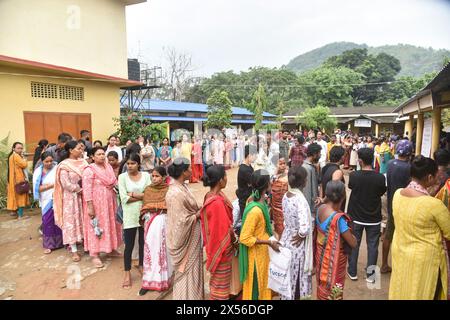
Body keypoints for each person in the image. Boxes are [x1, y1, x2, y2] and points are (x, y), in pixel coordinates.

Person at [389, 156, 450, 300]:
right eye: (436, 175)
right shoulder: (433, 205)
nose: (438, 178)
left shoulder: (398, 194)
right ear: (429, 177)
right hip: (424, 260)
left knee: (402, 287)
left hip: (401, 251)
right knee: (420, 292)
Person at [346, 148, 387, 282]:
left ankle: (352, 271)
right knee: (373, 246)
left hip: (356, 216)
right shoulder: (380, 177)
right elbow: (381, 192)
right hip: (374, 217)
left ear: (361, 161)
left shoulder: (354, 176)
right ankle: (370, 275)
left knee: (354, 243)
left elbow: (351, 187)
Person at [239, 169, 281, 300]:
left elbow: (262, 227)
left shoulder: (257, 201)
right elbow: (244, 238)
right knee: (256, 291)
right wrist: (268, 242)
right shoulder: (255, 210)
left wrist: (273, 233)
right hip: (256, 258)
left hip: (263, 253)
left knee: (264, 287)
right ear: (268, 185)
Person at [166, 158, 204, 300]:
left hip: (191, 236)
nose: (191, 170)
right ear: (183, 172)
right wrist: (197, 215)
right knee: (188, 272)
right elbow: (180, 222)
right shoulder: (176, 192)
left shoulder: (181, 186)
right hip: (185, 240)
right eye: (189, 168)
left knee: (193, 271)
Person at [315, 181, 357, 300]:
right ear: (343, 197)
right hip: (333, 264)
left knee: (321, 285)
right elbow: (353, 243)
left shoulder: (320, 208)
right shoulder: (339, 220)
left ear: (327, 195)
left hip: (320, 257)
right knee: (334, 290)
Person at [201, 165, 237, 300]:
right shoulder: (217, 203)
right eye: (225, 176)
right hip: (221, 250)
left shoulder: (210, 195)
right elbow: (223, 230)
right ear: (220, 180)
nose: (227, 179)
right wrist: (234, 240)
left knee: (218, 283)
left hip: (214, 245)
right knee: (220, 286)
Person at [82, 147, 122, 268]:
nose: (102, 156)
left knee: (110, 224)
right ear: (92, 157)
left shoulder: (108, 167)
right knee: (96, 226)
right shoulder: (89, 170)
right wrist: (90, 206)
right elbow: (87, 190)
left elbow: (114, 182)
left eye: (103, 154)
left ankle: (111, 249)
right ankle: (95, 254)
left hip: (110, 203)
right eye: (98, 154)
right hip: (96, 204)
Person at [118, 153, 151, 289]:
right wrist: (140, 196)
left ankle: (142, 265)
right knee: (129, 245)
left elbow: (150, 194)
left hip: (144, 213)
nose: (130, 166)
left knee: (143, 242)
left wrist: (133, 194)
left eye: (133, 163)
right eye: (128, 163)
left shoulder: (146, 176)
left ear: (139, 164)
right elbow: (124, 198)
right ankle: (127, 273)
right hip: (130, 215)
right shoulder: (122, 177)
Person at [281, 165, 313, 300]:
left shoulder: (286, 196)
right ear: (304, 182)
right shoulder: (300, 200)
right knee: (298, 277)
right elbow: (305, 228)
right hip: (297, 244)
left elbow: (285, 219)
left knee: (288, 276)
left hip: (286, 239)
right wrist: (300, 235)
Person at [139, 166, 173, 295]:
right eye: (152, 176)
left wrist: (156, 209)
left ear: (164, 177)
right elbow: (145, 207)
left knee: (163, 251)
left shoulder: (169, 190)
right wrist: (155, 209)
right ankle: (148, 281)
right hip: (151, 224)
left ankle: (164, 279)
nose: (154, 178)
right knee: (150, 251)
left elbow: (169, 207)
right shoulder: (148, 190)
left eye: (157, 176)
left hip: (164, 223)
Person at [53, 140, 89, 262]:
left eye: (81, 149)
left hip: (84, 196)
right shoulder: (64, 165)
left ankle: (86, 244)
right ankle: (74, 250)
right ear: (70, 150)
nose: (81, 151)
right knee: (72, 221)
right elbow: (65, 183)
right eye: (78, 148)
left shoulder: (84, 162)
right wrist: (79, 190)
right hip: (71, 198)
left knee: (84, 219)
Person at [381, 139, 412, 274]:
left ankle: (383, 264)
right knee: (403, 236)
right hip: (405, 204)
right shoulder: (409, 168)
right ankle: (401, 265)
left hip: (391, 203)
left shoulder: (390, 164)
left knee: (388, 234)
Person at [33, 152, 63, 253]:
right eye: (46, 161)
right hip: (46, 200)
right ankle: (49, 245)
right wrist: (51, 185)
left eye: (51, 161)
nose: (49, 163)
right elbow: (38, 189)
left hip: (58, 197)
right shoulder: (38, 172)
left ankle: (61, 242)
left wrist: (50, 185)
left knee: (59, 220)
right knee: (47, 221)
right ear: (42, 161)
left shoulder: (57, 168)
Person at [7, 142, 30, 219]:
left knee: (16, 197)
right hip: (19, 180)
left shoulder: (11, 156)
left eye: (21, 148)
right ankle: (20, 216)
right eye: (18, 148)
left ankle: (14, 212)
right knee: (21, 197)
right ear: (13, 148)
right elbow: (24, 164)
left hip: (13, 180)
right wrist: (24, 158)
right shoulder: (16, 156)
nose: (20, 150)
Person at [236, 145, 257, 228]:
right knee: (247, 225)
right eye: (255, 155)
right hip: (245, 200)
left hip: (248, 198)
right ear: (249, 155)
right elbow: (254, 182)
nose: (256, 157)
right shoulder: (244, 169)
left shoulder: (249, 167)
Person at [320, 146, 346, 212]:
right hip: (333, 206)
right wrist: (323, 200)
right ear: (342, 157)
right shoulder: (337, 172)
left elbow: (321, 185)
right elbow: (333, 188)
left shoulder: (325, 168)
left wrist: (322, 199)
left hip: (326, 205)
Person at [270, 157, 289, 237]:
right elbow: (271, 189)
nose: (283, 165)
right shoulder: (273, 177)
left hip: (286, 207)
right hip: (276, 208)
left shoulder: (288, 175)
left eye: (284, 163)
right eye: (280, 164)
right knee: (278, 227)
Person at [302, 143, 322, 213]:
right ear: (314, 154)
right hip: (309, 208)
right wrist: (309, 210)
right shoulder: (307, 168)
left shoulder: (312, 166)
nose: (320, 156)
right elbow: (307, 191)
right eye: (319, 154)